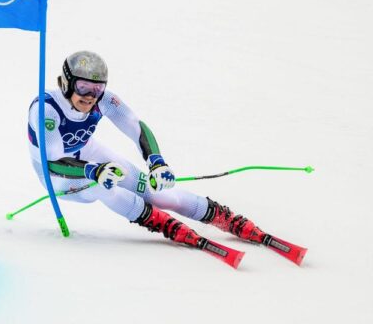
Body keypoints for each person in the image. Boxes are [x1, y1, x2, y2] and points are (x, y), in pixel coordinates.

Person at [27, 50, 305, 265]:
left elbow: (136, 127)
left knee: (157, 190)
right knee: (104, 186)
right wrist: (93, 172)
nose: (90, 96)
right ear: (66, 82)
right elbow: (53, 161)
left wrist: (156, 162)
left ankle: (222, 217)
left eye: (97, 89)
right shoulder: (47, 108)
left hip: (88, 155)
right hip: (58, 177)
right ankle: (158, 221)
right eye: (84, 87)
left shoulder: (104, 100)